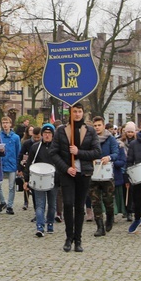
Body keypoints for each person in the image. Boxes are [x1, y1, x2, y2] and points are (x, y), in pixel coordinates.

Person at [50, 103, 101, 253]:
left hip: (83, 173)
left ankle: (78, 239)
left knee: (79, 207)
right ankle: (68, 238)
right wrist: (66, 168)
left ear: (83, 113)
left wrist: (79, 152)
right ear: (70, 113)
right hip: (67, 173)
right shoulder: (61, 131)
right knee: (67, 204)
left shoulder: (90, 131)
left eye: (79, 111)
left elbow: (97, 152)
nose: (77, 114)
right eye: (74, 111)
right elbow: (54, 153)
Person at [89, 116, 126, 237]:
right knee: (95, 201)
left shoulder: (110, 139)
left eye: (99, 125)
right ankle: (100, 226)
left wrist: (109, 157)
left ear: (103, 126)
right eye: (95, 126)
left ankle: (109, 217)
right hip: (94, 174)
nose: (97, 128)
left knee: (108, 200)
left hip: (107, 173)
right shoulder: (90, 138)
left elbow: (116, 153)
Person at [23, 123, 59, 236]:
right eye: (45, 133)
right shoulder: (35, 147)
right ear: (42, 134)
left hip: (54, 180)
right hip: (39, 180)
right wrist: (26, 179)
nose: (47, 135)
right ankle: (40, 226)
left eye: (49, 133)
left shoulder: (57, 148)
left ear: (53, 135)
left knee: (52, 205)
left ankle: (50, 224)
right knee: (40, 204)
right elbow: (29, 164)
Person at [0, 117, 22, 214]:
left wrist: (18, 166)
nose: (5, 124)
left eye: (7, 122)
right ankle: (3, 202)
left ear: (10, 124)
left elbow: (18, 152)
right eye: (3, 122)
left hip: (12, 165)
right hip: (1, 164)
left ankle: (10, 206)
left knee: (12, 186)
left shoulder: (15, 137)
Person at [18, 126, 41, 211]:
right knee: (27, 185)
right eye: (35, 137)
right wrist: (19, 168)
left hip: (39, 169)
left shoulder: (42, 143)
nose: (36, 139)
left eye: (38, 137)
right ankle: (26, 202)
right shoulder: (27, 143)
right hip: (28, 168)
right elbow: (20, 155)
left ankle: (38, 208)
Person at [120, 121, 138, 221]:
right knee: (125, 190)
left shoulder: (137, 142)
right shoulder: (121, 143)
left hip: (134, 168)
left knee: (134, 191)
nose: (130, 134)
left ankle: (132, 209)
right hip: (124, 169)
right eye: (128, 132)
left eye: (132, 132)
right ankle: (127, 210)